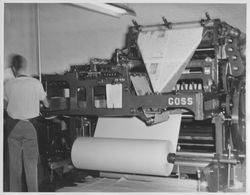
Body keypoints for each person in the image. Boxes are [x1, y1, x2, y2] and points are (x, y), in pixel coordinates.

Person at [4, 54, 49, 192]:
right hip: (30, 127)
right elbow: (46, 104)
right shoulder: (35, 83)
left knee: (14, 166)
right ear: (24, 66)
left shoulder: (8, 84)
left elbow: (5, 105)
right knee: (31, 165)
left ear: (13, 68)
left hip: (13, 127)